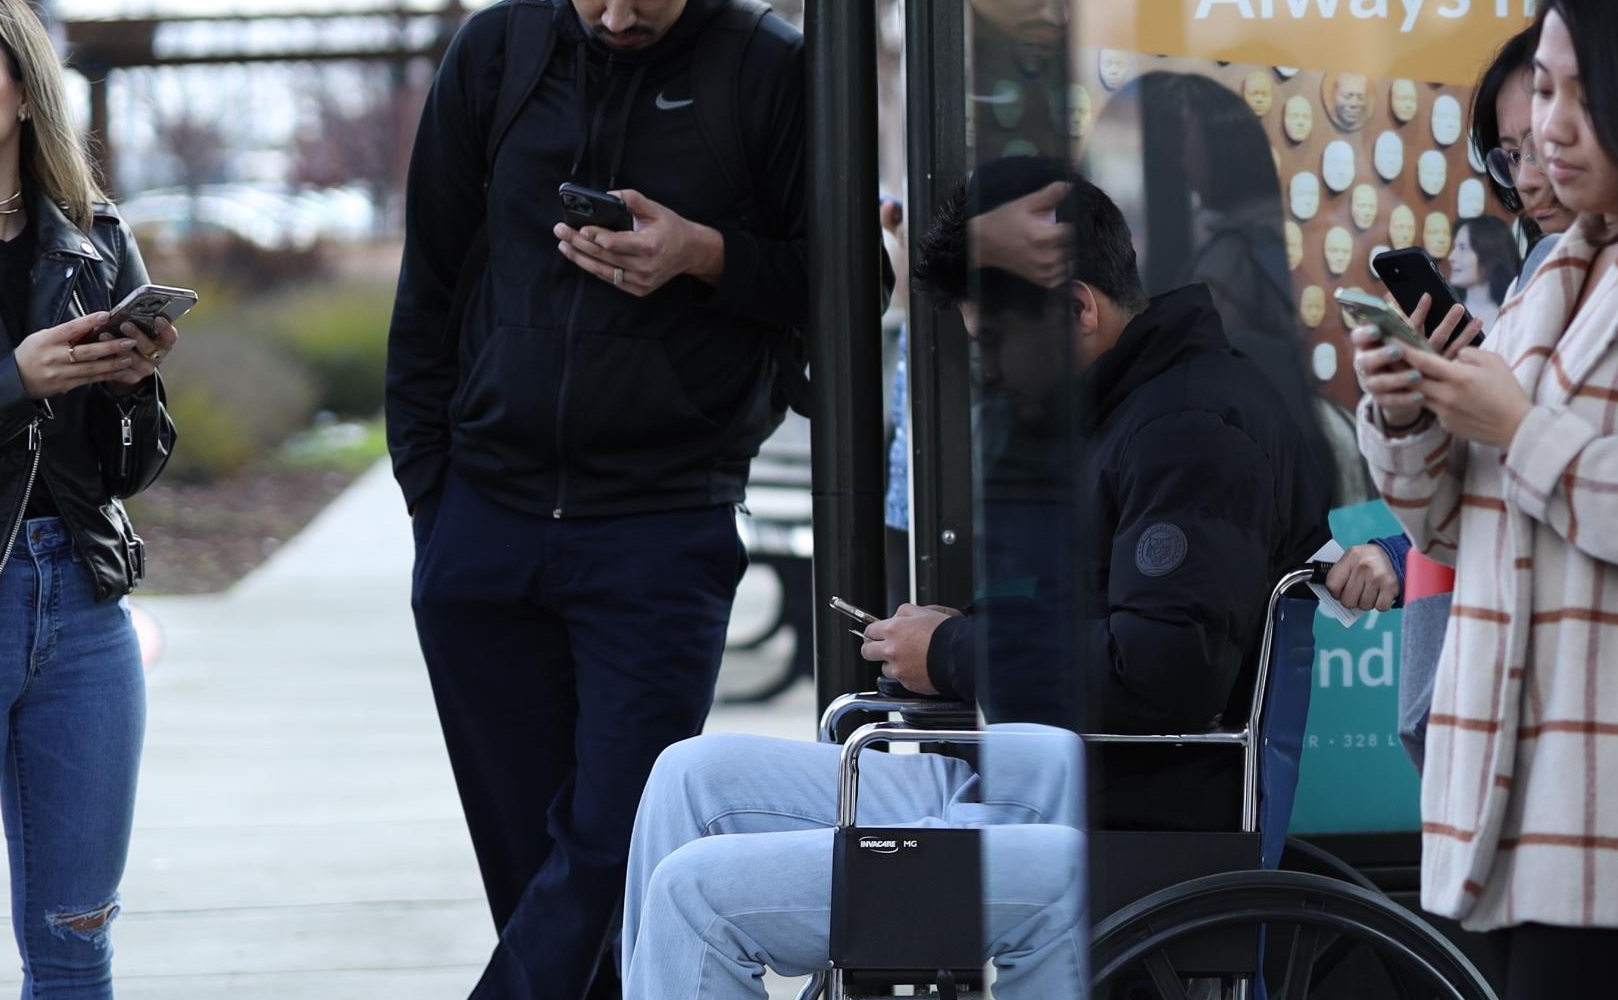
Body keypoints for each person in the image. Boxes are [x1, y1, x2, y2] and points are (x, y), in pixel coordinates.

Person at [384, 0, 805, 996]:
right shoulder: (498, 52)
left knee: (613, 847)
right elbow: (430, 280)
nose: (617, 16)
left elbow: (845, 281)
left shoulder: (766, 66)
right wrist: (430, 497)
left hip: (662, 527)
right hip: (482, 524)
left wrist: (704, 254)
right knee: (533, 873)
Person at [1352, 2, 1618, 994]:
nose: (1549, 131)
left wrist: (1517, 427)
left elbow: (1523, 463)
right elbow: (1457, 526)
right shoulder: (1550, 279)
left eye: (1580, 93)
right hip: (1510, 800)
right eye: (1542, 92)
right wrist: (1406, 414)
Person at [0, 1, 179, 994]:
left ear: (26, 92)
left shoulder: (97, 240)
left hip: (81, 603)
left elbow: (130, 471)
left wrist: (129, 387)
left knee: (77, 936)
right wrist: (13, 381)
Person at [1447, 215, 1518, 332]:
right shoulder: (1445, 310)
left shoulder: (1515, 315)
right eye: (1454, 247)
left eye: (1463, 248)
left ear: (1490, 256)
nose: (1451, 257)